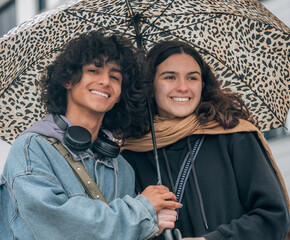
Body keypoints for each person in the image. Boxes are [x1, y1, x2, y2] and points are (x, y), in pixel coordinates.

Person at [0, 30, 181, 240]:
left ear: (120, 94)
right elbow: (63, 228)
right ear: (68, 80)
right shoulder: (32, 149)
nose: (105, 81)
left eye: (115, 76)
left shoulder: (121, 167)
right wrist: (142, 210)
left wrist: (152, 226)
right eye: (94, 70)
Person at [121, 40, 290, 240]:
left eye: (192, 78)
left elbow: (274, 217)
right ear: (150, 86)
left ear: (202, 85)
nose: (183, 87)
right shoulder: (130, 156)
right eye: (170, 77)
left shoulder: (234, 136)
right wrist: (150, 225)